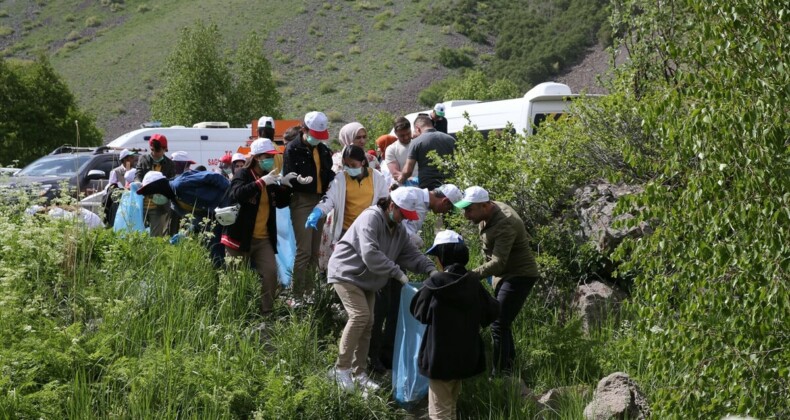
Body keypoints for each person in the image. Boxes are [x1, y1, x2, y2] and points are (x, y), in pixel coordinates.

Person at [327, 187, 438, 393]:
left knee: (369, 323)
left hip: (368, 280)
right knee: (360, 317)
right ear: (391, 205)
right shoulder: (371, 218)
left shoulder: (398, 229)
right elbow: (370, 254)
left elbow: (411, 254)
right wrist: (397, 273)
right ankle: (340, 369)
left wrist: (430, 270)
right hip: (347, 273)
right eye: (402, 214)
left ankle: (359, 373)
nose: (404, 219)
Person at [368, 183, 463, 373]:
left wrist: (428, 268)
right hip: (383, 260)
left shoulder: (422, 203)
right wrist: (412, 238)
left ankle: (388, 356)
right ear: (444, 201)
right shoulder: (411, 196)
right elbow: (395, 224)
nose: (445, 212)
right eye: (448, 208)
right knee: (379, 309)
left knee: (395, 308)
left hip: (398, 259)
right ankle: (372, 356)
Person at [411, 230, 499, 420]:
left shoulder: (434, 283)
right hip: (466, 357)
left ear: (442, 257)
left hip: (439, 358)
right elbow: (492, 310)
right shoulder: (473, 282)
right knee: (450, 405)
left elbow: (418, 311)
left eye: (437, 257)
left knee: (439, 411)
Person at [454, 186, 541, 375]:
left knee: (498, 322)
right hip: (503, 275)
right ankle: (509, 369)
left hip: (519, 275)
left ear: (485, 205)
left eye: (469, 210)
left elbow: (499, 262)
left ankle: (500, 374)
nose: (466, 215)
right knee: (503, 322)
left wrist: (470, 276)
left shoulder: (505, 222)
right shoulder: (486, 215)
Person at [221, 138, 293, 315]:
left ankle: (266, 312)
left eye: (272, 156)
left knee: (270, 273)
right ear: (256, 158)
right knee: (236, 279)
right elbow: (237, 194)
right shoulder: (243, 174)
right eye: (267, 156)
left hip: (262, 238)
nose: (270, 160)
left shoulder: (268, 179)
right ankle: (236, 314)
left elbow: (281, 203)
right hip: (238, 237)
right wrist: (261, 183)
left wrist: (285, 187)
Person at [282, 111, 335, 297]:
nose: (316, 139)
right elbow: (288, 177)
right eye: (314, 135)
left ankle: (310, 293)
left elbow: (328, 172)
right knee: (303, 251)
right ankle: (296, 295)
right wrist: (299, 180)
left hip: (319, 201)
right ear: (303, 129)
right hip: (302, 201)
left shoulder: (322, 149)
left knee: (314, 252)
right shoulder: (292, 149)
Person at [135, 168, 230, 267]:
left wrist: (230, 195)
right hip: (216, 221)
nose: (152, 199)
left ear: (158, 187)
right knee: (215, 256)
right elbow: (198, 221)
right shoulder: (176, 205)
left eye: (151, 194)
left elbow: (214, 177)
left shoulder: (180, 184)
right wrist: (186, 232)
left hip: (228, 208)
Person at [307, 145, 389, 245]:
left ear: (363, 162)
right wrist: (318, 211)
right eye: (346, 165)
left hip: (368, 229)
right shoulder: (341, 178)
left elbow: (384, 201)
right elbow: (329, 199)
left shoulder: (377, 177)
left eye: (353, 165)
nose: (349, 168)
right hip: (346, 231)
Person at [398, 115, 456, 190]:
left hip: (429, 189)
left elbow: (408, 171)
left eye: (415, 131)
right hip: (451, 188)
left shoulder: (416, 142)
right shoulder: (450, 139)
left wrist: (399, 181)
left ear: (417, 128)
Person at [135, 133, 175, 237]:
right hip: (141, 204)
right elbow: (138, 175)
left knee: (155, 237)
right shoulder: (143, 159)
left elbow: (171, 183)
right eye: (152, 150)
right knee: (138, 235)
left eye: (157, 151)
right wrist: (137, 183)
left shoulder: (170, 164)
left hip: (159, 206)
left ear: (164, 149)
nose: (154, 153)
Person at [103, 149, 138, 226]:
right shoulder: (116, 171)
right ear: (125, 159)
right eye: (131, 157)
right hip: (120, 201)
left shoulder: (135, 171)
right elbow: (111, 187)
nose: (134, 159)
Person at [385, 117, 418, 185]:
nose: (406, 137)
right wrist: (413, 180)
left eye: (408, 133)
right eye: (402, 135)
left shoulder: (418, 144)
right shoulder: (391, 149)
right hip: (404, 188)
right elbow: (395, 173)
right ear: (395, 133)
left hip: (423, 186)